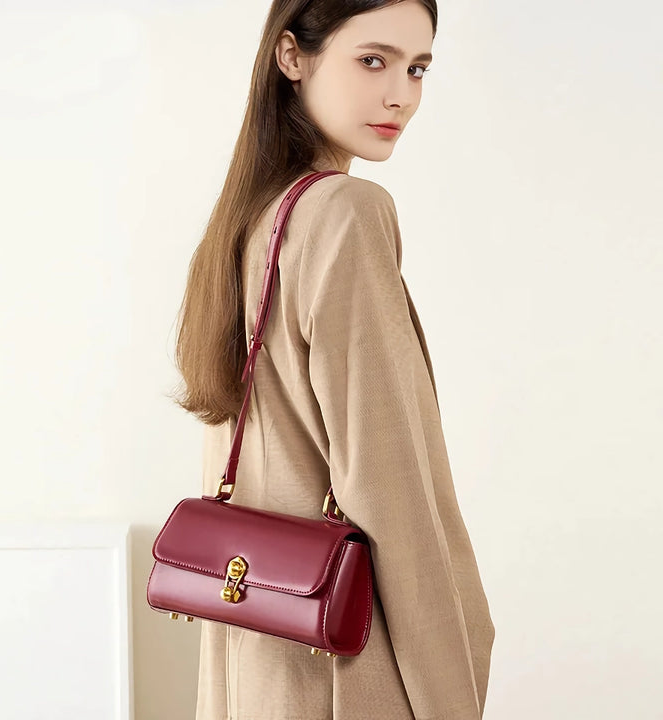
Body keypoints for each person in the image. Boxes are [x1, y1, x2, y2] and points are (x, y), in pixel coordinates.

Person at [170, 1, 495, 718]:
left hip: (254, 660)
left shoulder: (246, 223)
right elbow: (388, 482)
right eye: (373, 60)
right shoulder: (345, 212)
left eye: (418, 69)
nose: (400, 95)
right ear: (292, 57)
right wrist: (453, 684)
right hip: (341, 670)